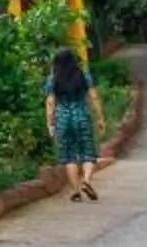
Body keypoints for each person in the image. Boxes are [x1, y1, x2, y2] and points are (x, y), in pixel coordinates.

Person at [46, 47, 107, 200]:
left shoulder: (52, 79)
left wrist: (50, 123)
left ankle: (75, 191)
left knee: (68, 156)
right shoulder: (84, 76)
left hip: (63, 118)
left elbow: (50, 103)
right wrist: (100, 117)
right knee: (88, 152)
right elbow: (93, 97)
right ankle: (86, 181)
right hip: (82, 116)